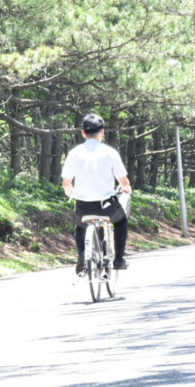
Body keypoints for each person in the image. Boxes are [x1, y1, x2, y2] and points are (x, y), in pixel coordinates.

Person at [61, 113, 133, 274]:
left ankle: (82, 255)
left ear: (83, 133)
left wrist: (69, 191)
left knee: (80, 226)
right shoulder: (110, 152)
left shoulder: (75, 153)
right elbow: (124, 181)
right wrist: (127, 189)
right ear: (102, 132)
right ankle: (119, 259)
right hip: (106, 207)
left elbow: (66, 182)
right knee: (121, 221)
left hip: (83, 208)